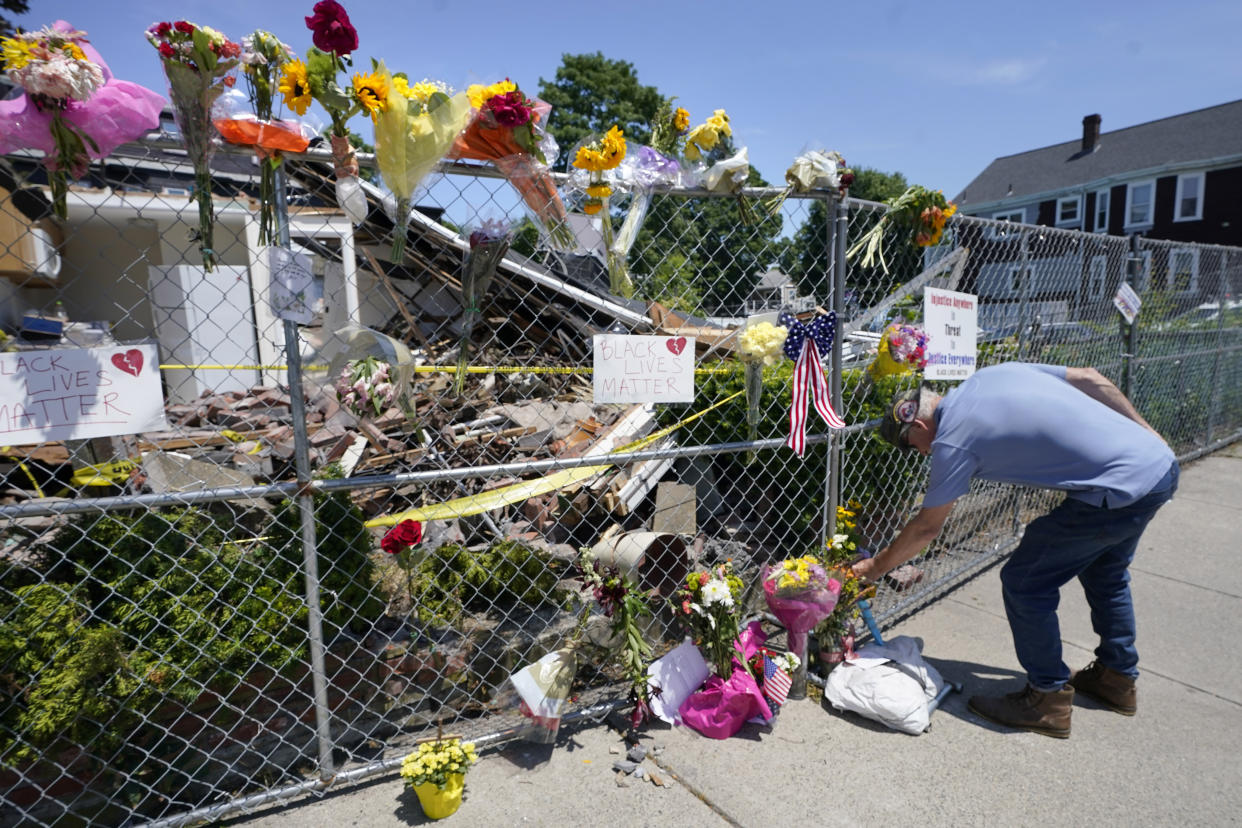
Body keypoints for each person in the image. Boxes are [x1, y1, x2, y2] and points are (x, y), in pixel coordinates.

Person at [852, 362, 1177, 739]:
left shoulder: (952, 439)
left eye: (912, 448)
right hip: (1155, 467)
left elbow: (926, 527)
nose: (922, 454)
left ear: (919, 426)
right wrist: (1149, 433)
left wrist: (874, 567)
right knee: (1107, 573)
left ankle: (1047, 699)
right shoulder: (991, 376)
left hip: (1118, 488)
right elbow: (1091, 377)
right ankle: (1116, 678)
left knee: (1026, 581)